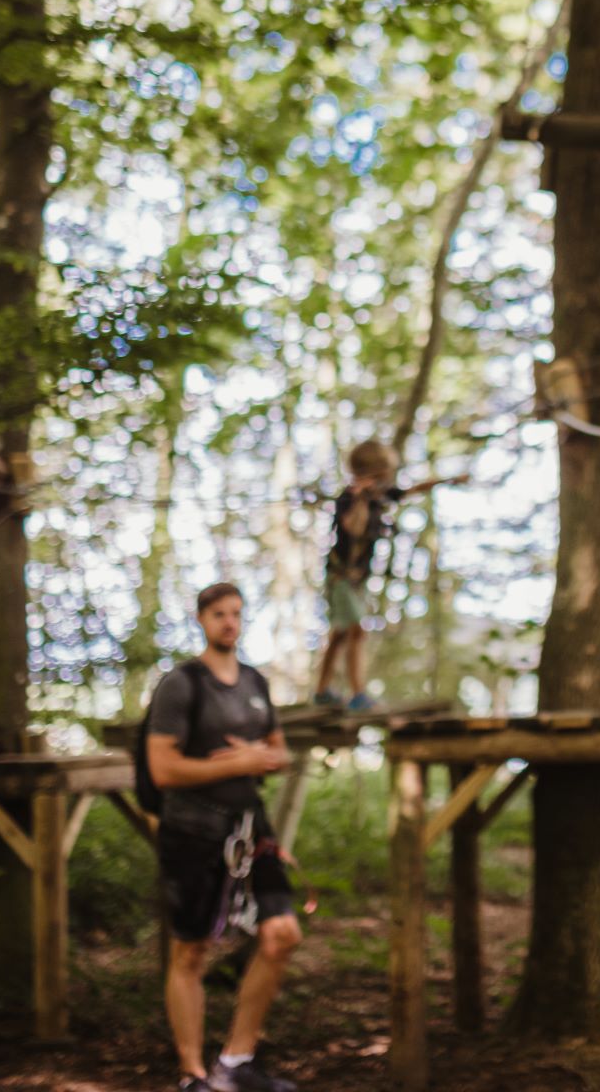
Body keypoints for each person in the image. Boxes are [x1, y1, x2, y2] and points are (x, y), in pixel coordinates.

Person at [147, 582, 304, 1092]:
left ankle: (236, 1062)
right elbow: (162, 769)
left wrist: (257, 758)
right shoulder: (181, 684)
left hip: (250, 827)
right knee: (190, 952)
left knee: (282, 934)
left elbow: (279, 752)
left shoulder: (254, 682)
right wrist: (239, 760)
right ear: (201, 619)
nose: (229, 622)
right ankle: (192, 1076)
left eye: (237, 613)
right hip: (192, 830)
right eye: (219, 614)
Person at [312, 439, 464, 711]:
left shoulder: (382, 495)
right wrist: (360, 497)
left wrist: (448, 480)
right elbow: (353, 528)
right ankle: (358, 693)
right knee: (356, 628)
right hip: (341, 576)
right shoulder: (349, 497)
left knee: (340, 633)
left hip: (357, 578)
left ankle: (322, 690)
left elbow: (411, 490)